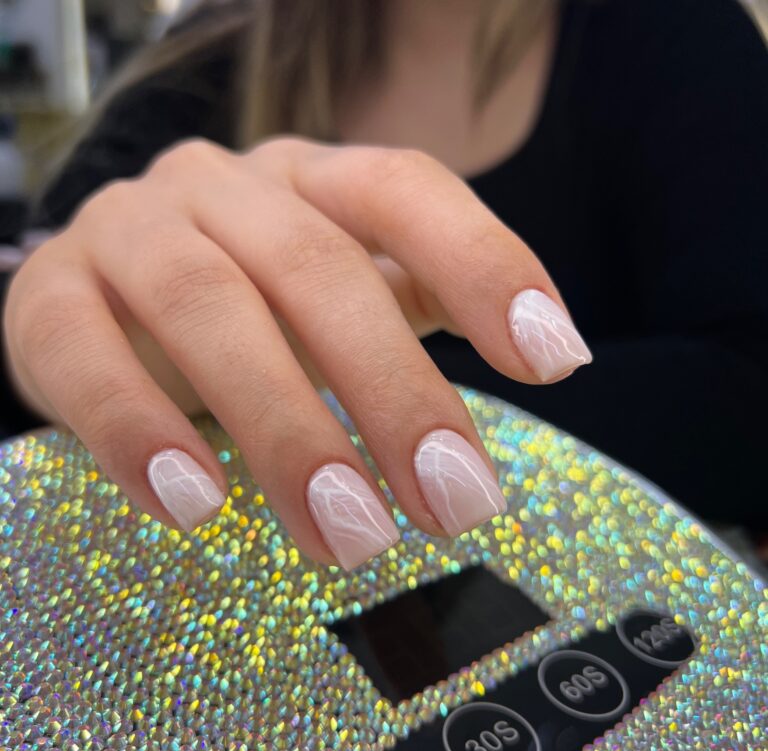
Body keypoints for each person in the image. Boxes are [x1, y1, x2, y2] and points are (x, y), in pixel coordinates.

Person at [1, 0, 766, 571]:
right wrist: (47, 343)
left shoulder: (670, 29)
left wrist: (334, 394)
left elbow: (746, 399)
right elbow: (45, 285)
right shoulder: (213, 49)